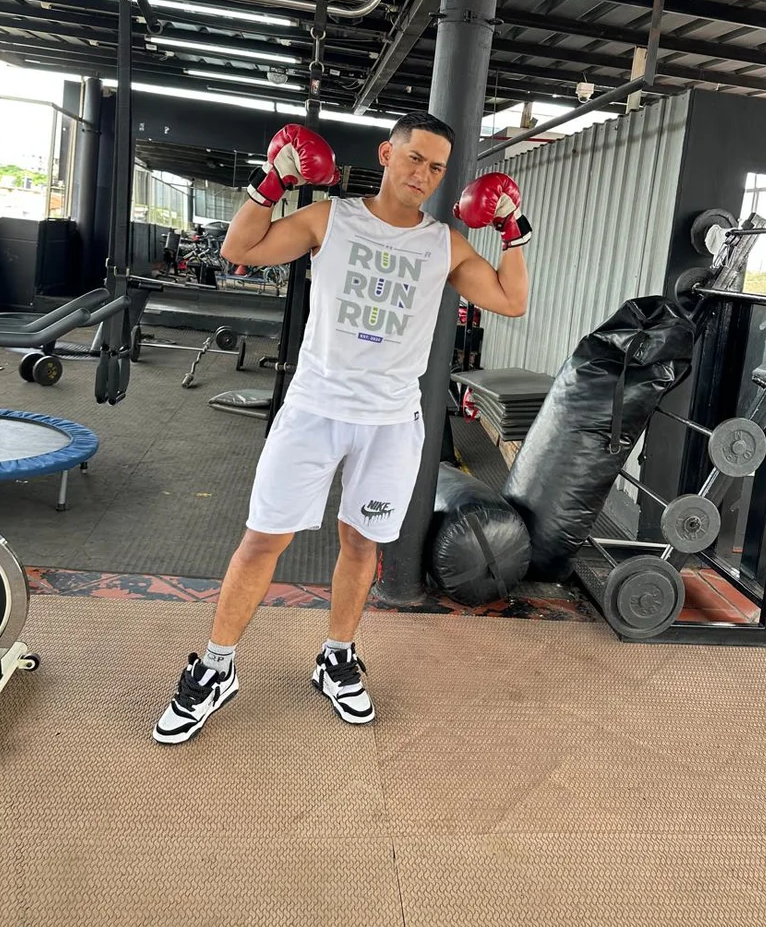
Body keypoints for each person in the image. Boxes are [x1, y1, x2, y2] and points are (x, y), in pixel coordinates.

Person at [153, 110, 531, 744]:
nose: (423, 174)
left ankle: (336, 656)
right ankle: (216, 667)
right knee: (261, 540)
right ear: (387, 154)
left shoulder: (443, 244)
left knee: (361, 544)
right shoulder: (331, 218)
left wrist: (514, 229)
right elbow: (239, 249)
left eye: (437, 168)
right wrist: (271, 180)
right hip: (314, 411)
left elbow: (511, 300)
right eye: (415, 158)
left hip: (391, 423)